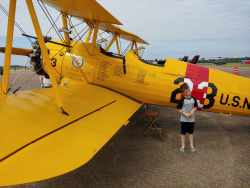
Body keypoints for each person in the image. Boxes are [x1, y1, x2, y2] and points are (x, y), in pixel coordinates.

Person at [176, 84, 198, 153]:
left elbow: (196, 107)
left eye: (189, 90)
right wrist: (185, 113)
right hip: (184, 120)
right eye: (187, 92)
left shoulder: (193, 98)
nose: (189, 92)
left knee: (190, 132)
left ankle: (191, 145)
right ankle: (183, 145)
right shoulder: (182, 100)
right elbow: (178, 109)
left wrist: (193, 110)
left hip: (192, 120)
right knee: (183, 133)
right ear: (182, 93)